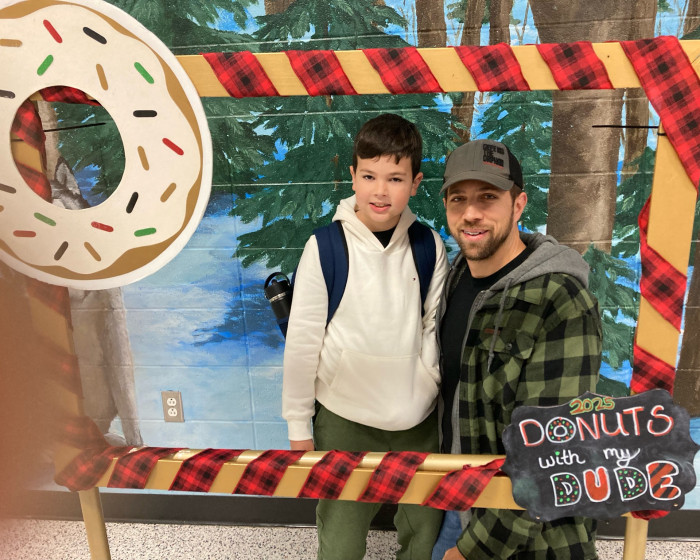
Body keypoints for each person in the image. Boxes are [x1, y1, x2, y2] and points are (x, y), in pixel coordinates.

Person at [282, 113, 448, 560]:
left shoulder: (429, 246)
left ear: (415, 183)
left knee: (424, 531)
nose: (380, 191)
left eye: (395, 178)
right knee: (341, 536)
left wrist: (426, 382)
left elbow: (431, 327)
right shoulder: (324, 247)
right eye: (370, 176)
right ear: (352, 175)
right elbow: (302, 341)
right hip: (344, 418)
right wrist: (298, 425)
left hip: (416, 419)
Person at [433, 139, 602, 560]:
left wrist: (474, 550)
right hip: (459, 503)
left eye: (488, 197)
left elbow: (549, 453)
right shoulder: (455, 279)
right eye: (458, 199)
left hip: (531, 532)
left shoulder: (560, 300)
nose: (471, 213)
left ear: (518, 204)